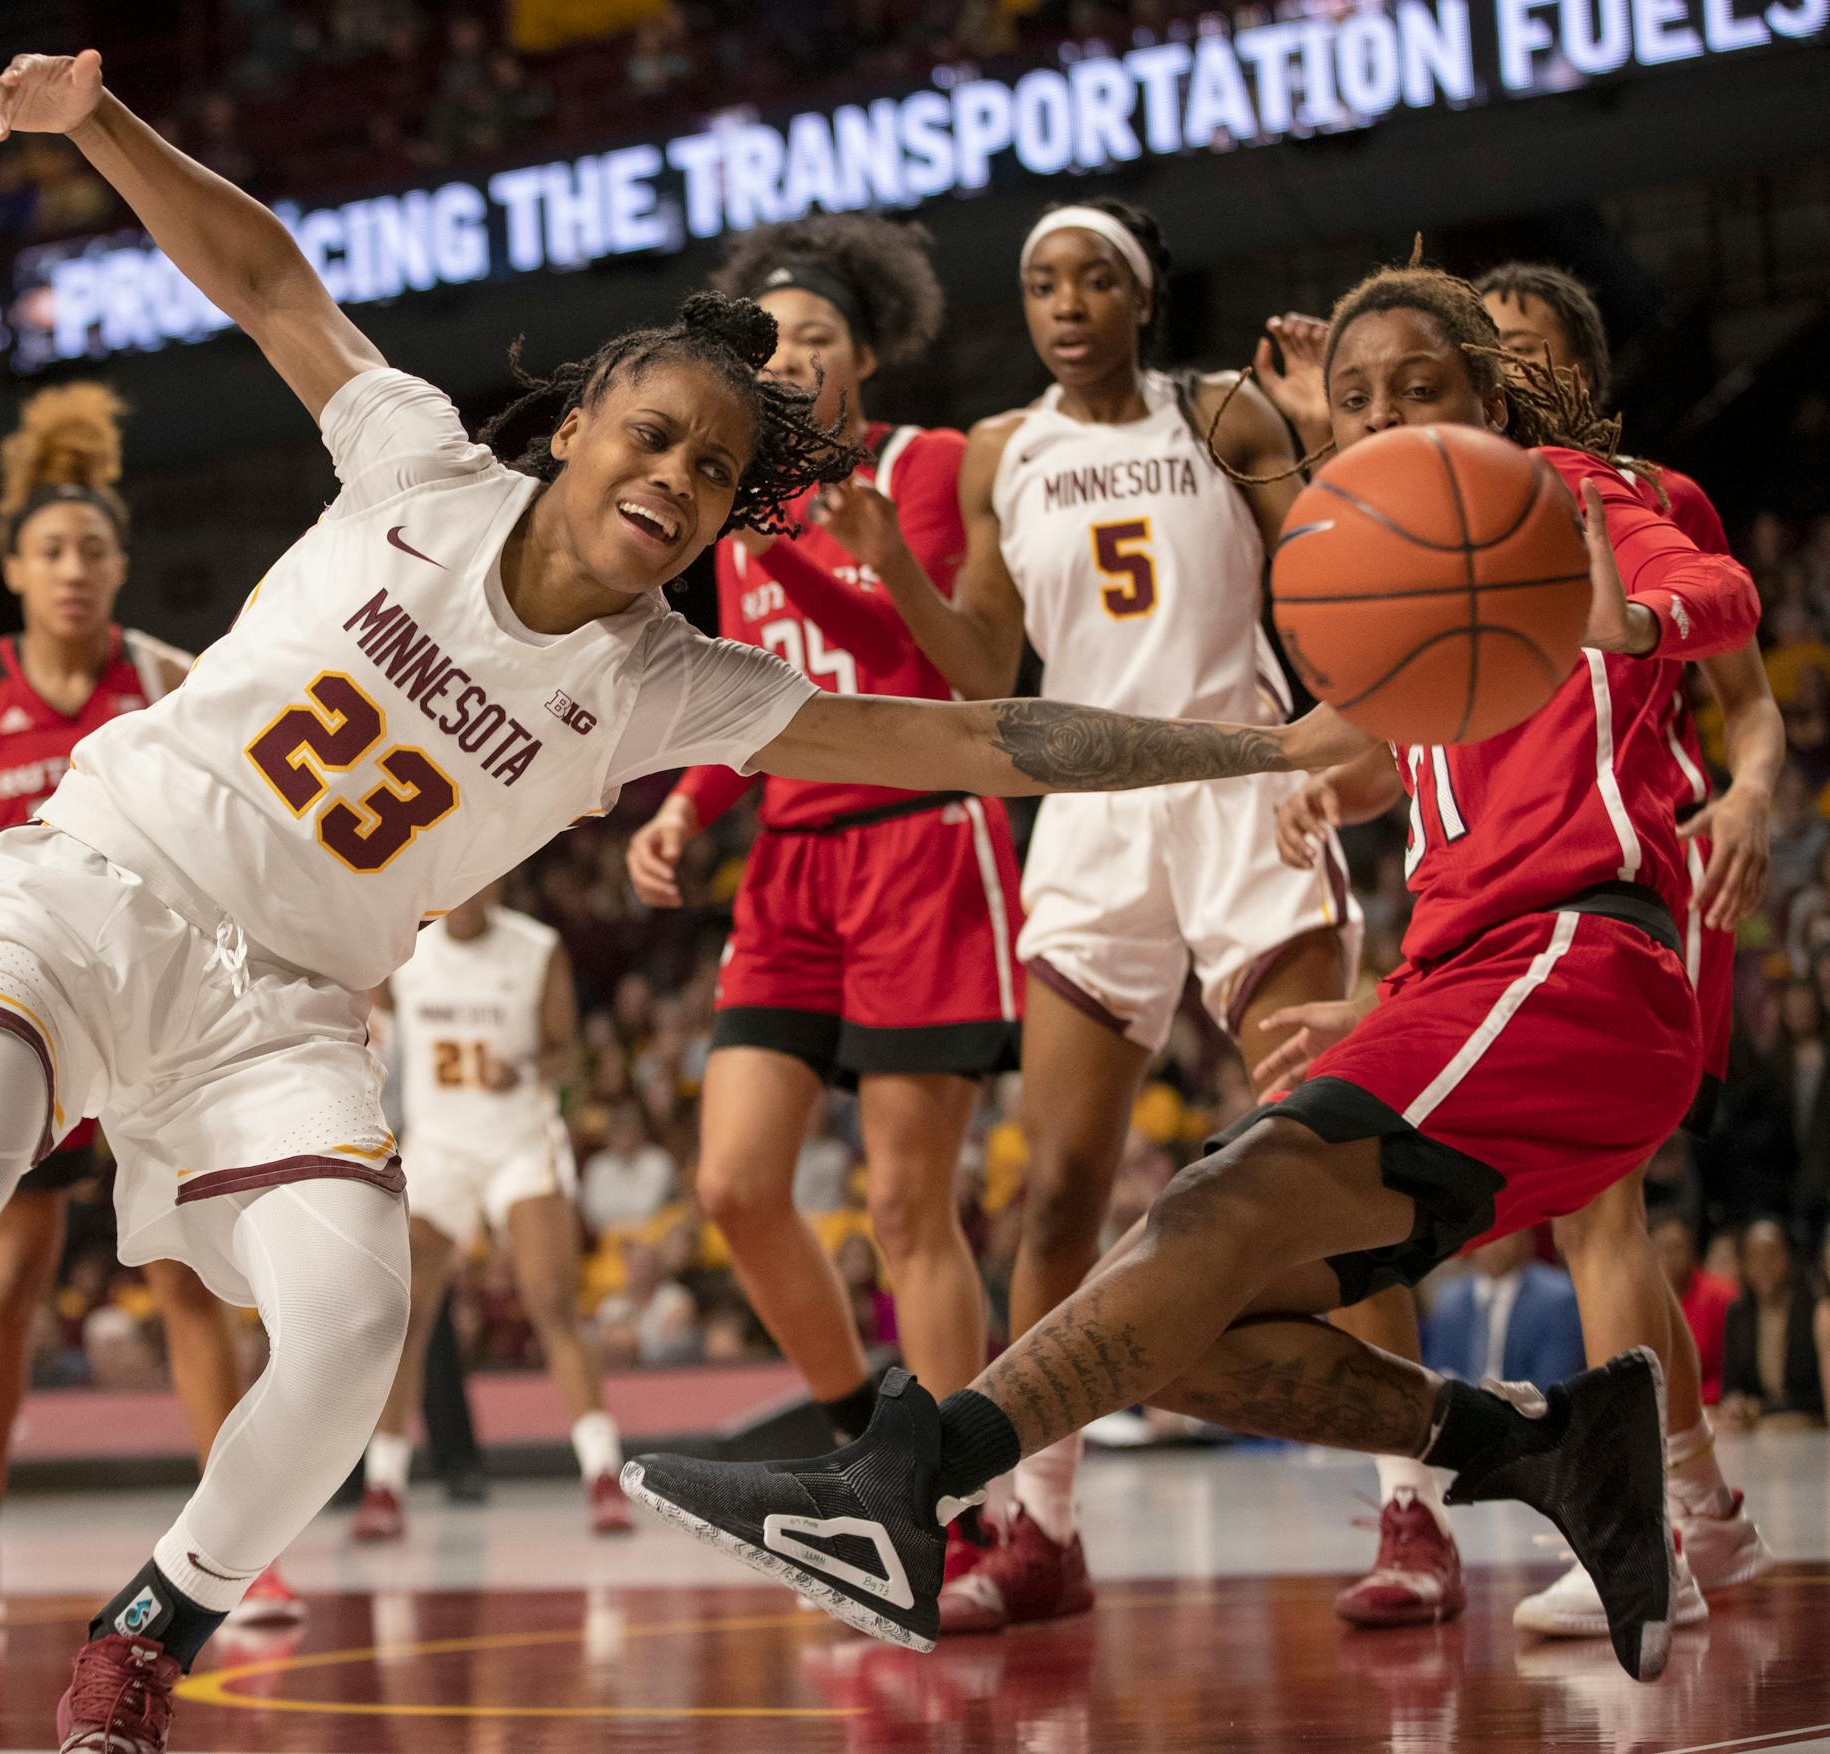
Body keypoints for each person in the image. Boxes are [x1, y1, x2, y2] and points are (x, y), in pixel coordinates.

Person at [0, 49, 1356, 1754]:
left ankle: (149, 1631)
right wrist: (101, 124)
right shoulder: (418, 469)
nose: (673, 472)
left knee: (356, 1322)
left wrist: (1245, 743)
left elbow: (983, 736)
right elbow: (263, 277)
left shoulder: (675, 683)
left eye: (713, 467)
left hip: (286, 1002)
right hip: (103, 877)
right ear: (585, 418)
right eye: (653, 431)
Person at [624, 251, 1760, 1689]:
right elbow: (1394, 787)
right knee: (1168, 1324)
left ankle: (900, 1494)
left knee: (1216, 1205)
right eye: (1358, 395)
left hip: (1586, 961)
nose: (1388, 410)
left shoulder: (1570, 508)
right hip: (1467, 979)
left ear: (1490, 390)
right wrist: (1366, 956)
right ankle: (1542, 1444)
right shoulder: (1396, 583)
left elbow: (1711, 587)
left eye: (1424, 384)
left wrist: (1640, 620)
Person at [810, 195, 1359, 1633]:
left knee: (1342, 1153)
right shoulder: (1005, 451)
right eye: (1041, 281)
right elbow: (986, 657)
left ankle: (1412, 1516)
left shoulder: (1224, 414)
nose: (1062, 301)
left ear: (1139, 296)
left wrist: (1316, 447)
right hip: (1091, 806)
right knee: (1053, 1190)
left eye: (1090, 278)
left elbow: (1335, 598)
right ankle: (1044, 1531)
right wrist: (893, 562)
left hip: (1244, 774)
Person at [1264, 259, 1776, 1636]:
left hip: (1623, 883)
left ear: (1571, 388)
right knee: (1593, 1212)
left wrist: (1758, 782)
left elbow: (1741, 668)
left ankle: (1643, 1520)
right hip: (1488, 911)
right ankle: (1702, 1507)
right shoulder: (1441, 543)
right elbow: (1408, 744)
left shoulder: (1630, 501)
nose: (1512, 385)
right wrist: (1336, 785)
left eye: (1524, 360)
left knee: (1601, 1208)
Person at [623, 214, 1022, 1609]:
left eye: (817, 338)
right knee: (735, 1180)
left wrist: (885, 556)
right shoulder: (733, 502)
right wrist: (685, 806)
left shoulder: (935, 465)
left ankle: (961, 1510)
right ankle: (878, 1457)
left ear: (866, 353)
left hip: (923, 842)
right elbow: (754, 701)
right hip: (791, 858)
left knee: (910, 1201)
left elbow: (983, 666)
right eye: (772, 340)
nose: (792, 359)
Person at [0, 382, 298, 1637]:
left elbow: (224, 849)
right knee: (4, 1282)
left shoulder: (168, 677)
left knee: (188, 1280)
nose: (73, 569)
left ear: (124, 567)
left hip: (151, 1010)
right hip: (22, 1007)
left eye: (94, 551)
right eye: (51, 550)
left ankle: (241, 1555)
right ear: (12, 566)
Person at [352, 883, 633, 1541]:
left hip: (519, 1142)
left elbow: (569, 1053)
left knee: (551, 1302)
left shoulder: (536, 949)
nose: (470, 896)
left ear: (499, 883)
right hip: (439, 1147)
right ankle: (384, 1485)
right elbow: (372, 1029)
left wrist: (531, 1063)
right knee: (406, 1315)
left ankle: (602, 1474)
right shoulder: (405, 953)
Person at [1422, 1231, 1586, 1387]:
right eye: (1483, 1234)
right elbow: (1436, 1374)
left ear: (1522, 1235)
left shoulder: (1558, 1299)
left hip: (1524, 1412)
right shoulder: (1449, 1300)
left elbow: (1553, 1385)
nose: (1492, 1244)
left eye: (1502, 1234)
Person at [1718, 1218, 1827, 1427]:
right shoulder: (1737, 1314)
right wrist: (1733, 1402)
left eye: (1772, 1255)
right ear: (1743, 1263)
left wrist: (1762, 1409)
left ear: (1789, 1257)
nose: (1763, 1266)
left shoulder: (1814, 1310)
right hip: (1754, 1424)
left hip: (1809, 1424)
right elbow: (1731, 1385)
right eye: (1754, 1257)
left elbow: (1819, 1395)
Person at [1654, 1211, 1736, 1403]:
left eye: (1676, 1248)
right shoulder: (1640, 1301)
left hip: (1712, 1407)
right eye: (1661, 1248)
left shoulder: (1721, 1297)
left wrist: (1685, 1403)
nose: (1669, 1257)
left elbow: (1730, 1376)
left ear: (1692, 1251)